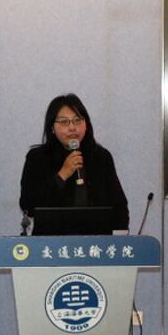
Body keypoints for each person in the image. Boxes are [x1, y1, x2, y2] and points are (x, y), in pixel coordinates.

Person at [20, 93, 129, 233]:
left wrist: (120, 237)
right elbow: (28, 205)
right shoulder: (38, 158)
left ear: (86, 124)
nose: (72, 127)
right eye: (64, 122)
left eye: (77, 120)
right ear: (52, 127)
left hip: (96, 240)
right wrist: (62, 175)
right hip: (52, 240)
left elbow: (119, 206)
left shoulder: (101, 157)